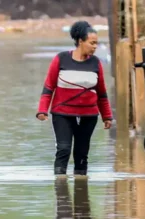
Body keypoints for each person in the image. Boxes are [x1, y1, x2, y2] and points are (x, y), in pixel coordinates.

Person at [37, 21, 114, 176]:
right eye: (92, 43)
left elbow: (101, 93)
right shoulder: (61, 59)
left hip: (89, 115)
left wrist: (107, 116)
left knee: (81, 153)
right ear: (80, 41)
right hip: (62, 113)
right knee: (63, 149)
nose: (95, 47)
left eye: (96, 43)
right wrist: (42, 110)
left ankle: (81, 192)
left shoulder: (95, 63)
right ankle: (61, 190)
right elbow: (49, 87)